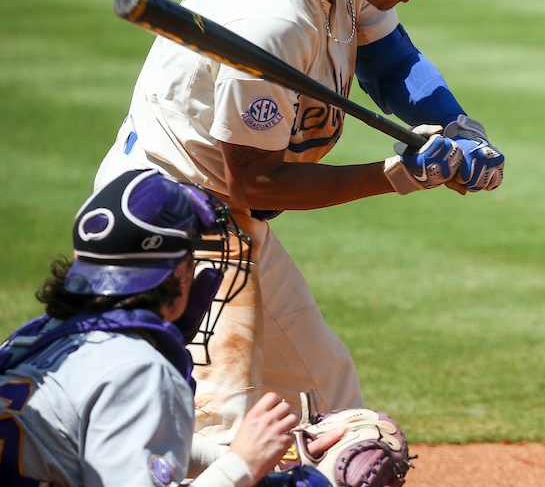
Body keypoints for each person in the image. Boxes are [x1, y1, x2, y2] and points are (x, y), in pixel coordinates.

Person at [94, 0, 504, 463]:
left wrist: (457, 127)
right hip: (169, 226)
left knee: (333, 408)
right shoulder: (273, 22)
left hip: (228, 220)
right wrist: (397, 174)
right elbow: (256, 183)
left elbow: (391, 61)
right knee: (223, 437)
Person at [0, 169, 340, 487]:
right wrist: (244, 463)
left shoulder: (34, 337)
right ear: (178, 273)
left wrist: (262, 466)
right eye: (193, 259)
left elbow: (120, 443)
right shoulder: (138, 371)